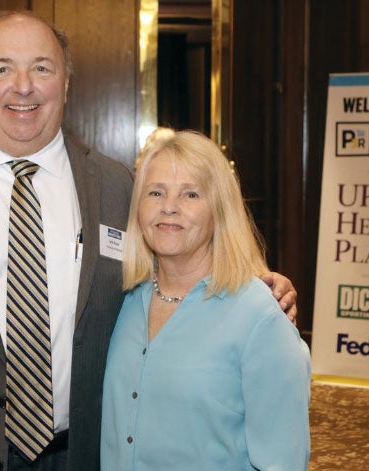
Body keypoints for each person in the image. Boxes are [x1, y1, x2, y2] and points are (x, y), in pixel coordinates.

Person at [0, 10, 298, 471]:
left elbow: (180, 261)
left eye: (42, 68)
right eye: (1, 69)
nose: (23, 86)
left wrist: (257, 285)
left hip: (81, 457)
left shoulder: (119, 189)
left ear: (66, 84)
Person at [101, 128, 311, 470]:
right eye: (155, 192)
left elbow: (282, 460)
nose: (169, 207)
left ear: (220, 210)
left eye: (191, 194)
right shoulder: (123, 299)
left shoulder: (260, 316)